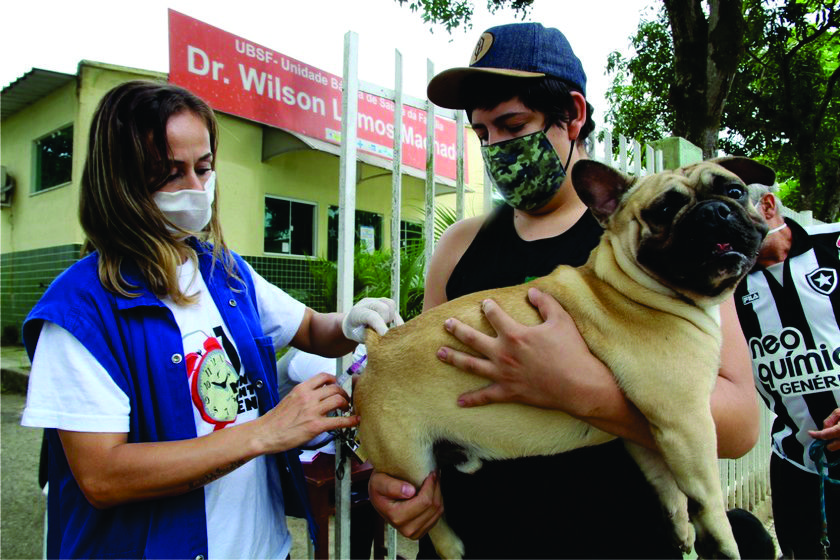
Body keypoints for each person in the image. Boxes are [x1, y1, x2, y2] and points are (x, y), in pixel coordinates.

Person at [367, 22, 760, 559]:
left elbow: (738, 427)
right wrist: (393, 484)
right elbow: (421, 385)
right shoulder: (459, 246)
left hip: (620, 540)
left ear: (572, 114)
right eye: (483, 134)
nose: (497, 147)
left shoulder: (663, 246)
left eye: (512, 124)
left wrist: (579, 389)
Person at [20, 80, 400, 560]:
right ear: (119, 181)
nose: (196, 190)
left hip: (263, 549)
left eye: (203, 168)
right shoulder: (79, 312)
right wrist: (267, 431)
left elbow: (308, 329)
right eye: (169, 173)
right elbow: (103, 477)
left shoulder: (222, 270)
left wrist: (351, 322)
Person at [734, 183, 840, 559]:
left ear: (766, 206)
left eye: (733, 205)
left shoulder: (835, 245)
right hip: (796, 460)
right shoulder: (724, 283)